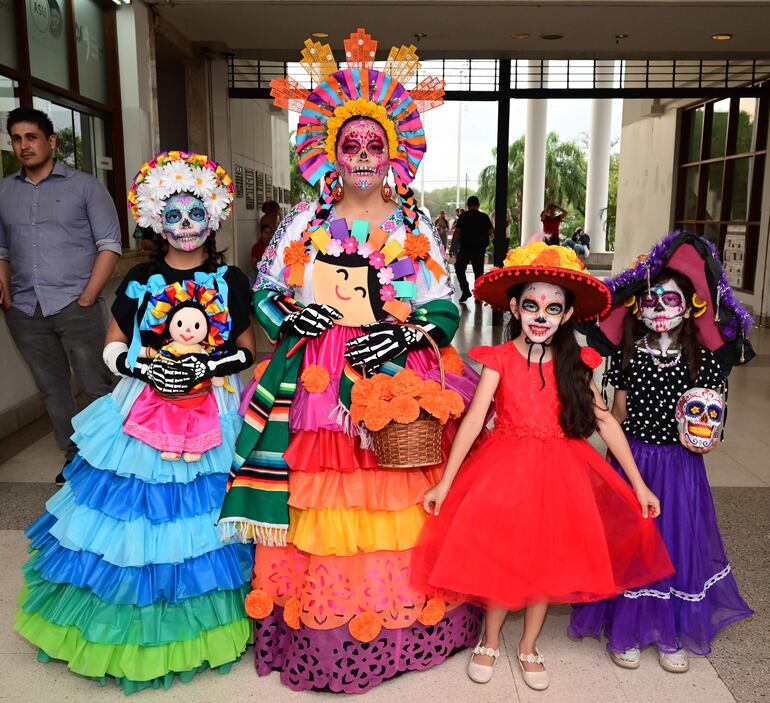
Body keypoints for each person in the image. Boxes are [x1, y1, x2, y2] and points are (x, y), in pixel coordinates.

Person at [219, 29, 482, 694]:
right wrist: (292, 318)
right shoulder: (304, 223)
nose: (363, 155)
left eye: (374, 145)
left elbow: (447, 303)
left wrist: (405, 334)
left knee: (393, 498)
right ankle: (325, 626)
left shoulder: (415, 226)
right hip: (317, 383)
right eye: (350, 145)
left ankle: (399, 623)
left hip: (394, 373)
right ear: (330, 151)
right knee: (323, 499)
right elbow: (269, 295)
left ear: (393, 152)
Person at [14, 150, 257, 692]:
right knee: (135, 519)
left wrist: (209, 364)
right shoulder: (140, 279)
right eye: (174, 214)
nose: (187, 224)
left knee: (202, 525)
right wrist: (149, 368)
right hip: (142, 409)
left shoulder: (230, 278)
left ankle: (202, 625)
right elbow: (113, 344)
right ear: (155, 219)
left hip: (211, 412)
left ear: (213, 216)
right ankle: (128, 628)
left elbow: (246, 346)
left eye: (197, 213)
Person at [412, 241, 674, 692]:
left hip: (559, 472)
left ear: (567, 316)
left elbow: (606, 423)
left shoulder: (578, 363)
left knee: (545, 558)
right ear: (514, 306)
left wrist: (639, 485)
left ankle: (530, 644)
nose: (540, 315)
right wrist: (446, 483)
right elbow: (475, 420)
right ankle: (490, 639)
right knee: (502, 553)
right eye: (531, 304)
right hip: (504, 469)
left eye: (552, 308)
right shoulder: (500, 360)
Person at [569, 231, 754, 673]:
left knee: (676, 537)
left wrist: (704, 437)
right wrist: (620, 463)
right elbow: (617, 412)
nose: (659, 310)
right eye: (650, 301)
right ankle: (628, 628)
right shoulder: (629, 355)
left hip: (681, 464)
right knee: (636, 538)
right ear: (636, 307)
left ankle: (671, 631)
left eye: (669, 301)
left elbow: (709, 414)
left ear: (688, 306)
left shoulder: (702, 358)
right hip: (637, 458)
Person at [0, 107, 121, 485]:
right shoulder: (4, 190)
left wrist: (87, 297)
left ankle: (106, 457)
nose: (24, 145)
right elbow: (1, 249)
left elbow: (110, 245)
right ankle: (74, 458)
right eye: (16, 138)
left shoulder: (85, 186)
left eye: (31, 137)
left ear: (51, 141)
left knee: (93, 384)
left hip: (75, 304)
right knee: (52, 389)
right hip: (24, 309)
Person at [451, 196, 493, 303]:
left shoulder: (463, 216)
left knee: (459, 268)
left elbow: (457, 232)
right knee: (478, 273)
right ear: (478, 205)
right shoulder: (484, 217)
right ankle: (478, 296)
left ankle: (465, 290)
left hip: (465, 248)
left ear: (468, 206)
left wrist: (452, 246)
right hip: (479, 249)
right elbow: (491, 232)